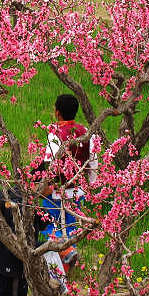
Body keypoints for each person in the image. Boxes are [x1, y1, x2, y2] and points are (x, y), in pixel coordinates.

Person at [36, 94, 98, 284]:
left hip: (57, 191)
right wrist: (90, 185)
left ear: (57, 112)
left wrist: (45, 187)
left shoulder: (55, 134)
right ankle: (65, 273)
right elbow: (92, 163)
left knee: (51, 230)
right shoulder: (86, 132)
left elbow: (49, 164)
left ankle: (66, 258)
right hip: (77, 191)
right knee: (69, 230)